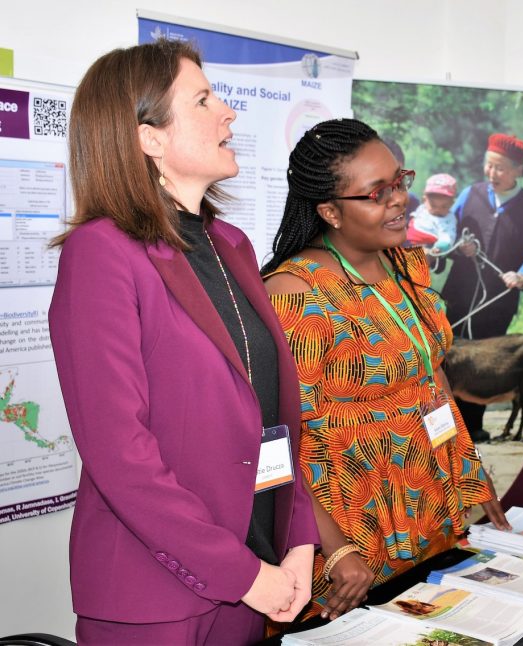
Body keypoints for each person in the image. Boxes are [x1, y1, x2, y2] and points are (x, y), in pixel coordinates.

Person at [48, 40, 317, 644]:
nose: (227, 113)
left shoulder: (233, 248)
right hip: (154, 597)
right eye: (203, 100)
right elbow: (121, 454)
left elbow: (272, 417)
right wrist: (241, 573)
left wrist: (298, 541)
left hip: (257, 577)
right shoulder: (102, 254)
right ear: (149, 138)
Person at [261, 118, 510, 623]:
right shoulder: (296, 293)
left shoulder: (405, 266)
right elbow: (277, 438)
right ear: (329, 210)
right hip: (349, 525)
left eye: (399, 182)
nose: (398, 199)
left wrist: (469, 472)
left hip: (426, 499)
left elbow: (430, 379)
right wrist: (331, 549)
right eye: (377, 193)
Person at [440, 133, 523, 443]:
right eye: (489, 166)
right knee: (449, 357)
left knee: (483, 362)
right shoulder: (471, 195)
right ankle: (444, 428)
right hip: (458, 295)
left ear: (517, 171)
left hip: (496, 302)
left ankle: (471, 428)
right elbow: (448, 231)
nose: (491, 173)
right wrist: (460, 247)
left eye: (499, 168)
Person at [408, 173, 459, 255]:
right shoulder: (422, 208)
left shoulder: (448, 220)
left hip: (428, 246)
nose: (438, 209)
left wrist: (439, 248)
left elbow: (448, 237)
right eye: (433, 205)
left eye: (444, 207)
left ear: (451, 204)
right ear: (424, 199)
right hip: (407, 242)